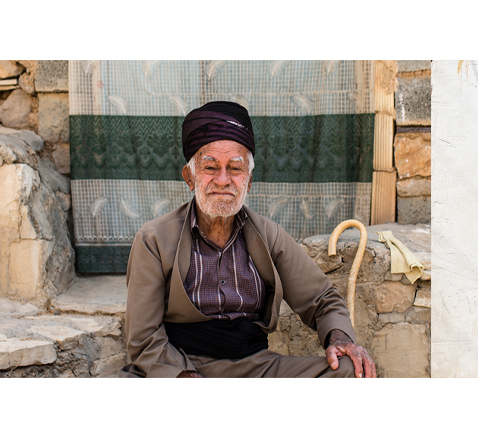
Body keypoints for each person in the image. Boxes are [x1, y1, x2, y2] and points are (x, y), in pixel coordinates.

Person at [120, 101, 376, 378]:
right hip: (181, 366)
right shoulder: (154, 239)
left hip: (257, 369)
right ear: (189, 177)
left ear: (249, 180)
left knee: (351, 371)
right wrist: (182, 375)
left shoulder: (269, 235)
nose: (222, 180)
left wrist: (340, 339)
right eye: (210, 167)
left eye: (235, 168)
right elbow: (143, 338)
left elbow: (322, 299)